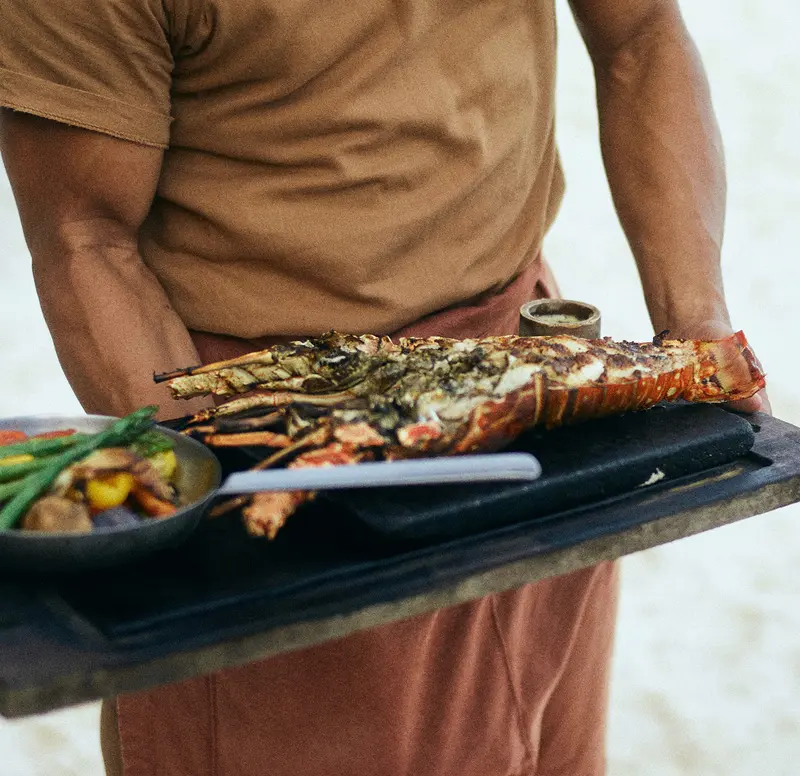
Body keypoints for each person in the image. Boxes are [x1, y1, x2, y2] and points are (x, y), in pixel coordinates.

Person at [0, 1, 768, 774]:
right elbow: (85, 236)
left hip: (536, 385)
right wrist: (227, 491)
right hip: (274, 425)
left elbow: (642, 35)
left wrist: (695, 318)